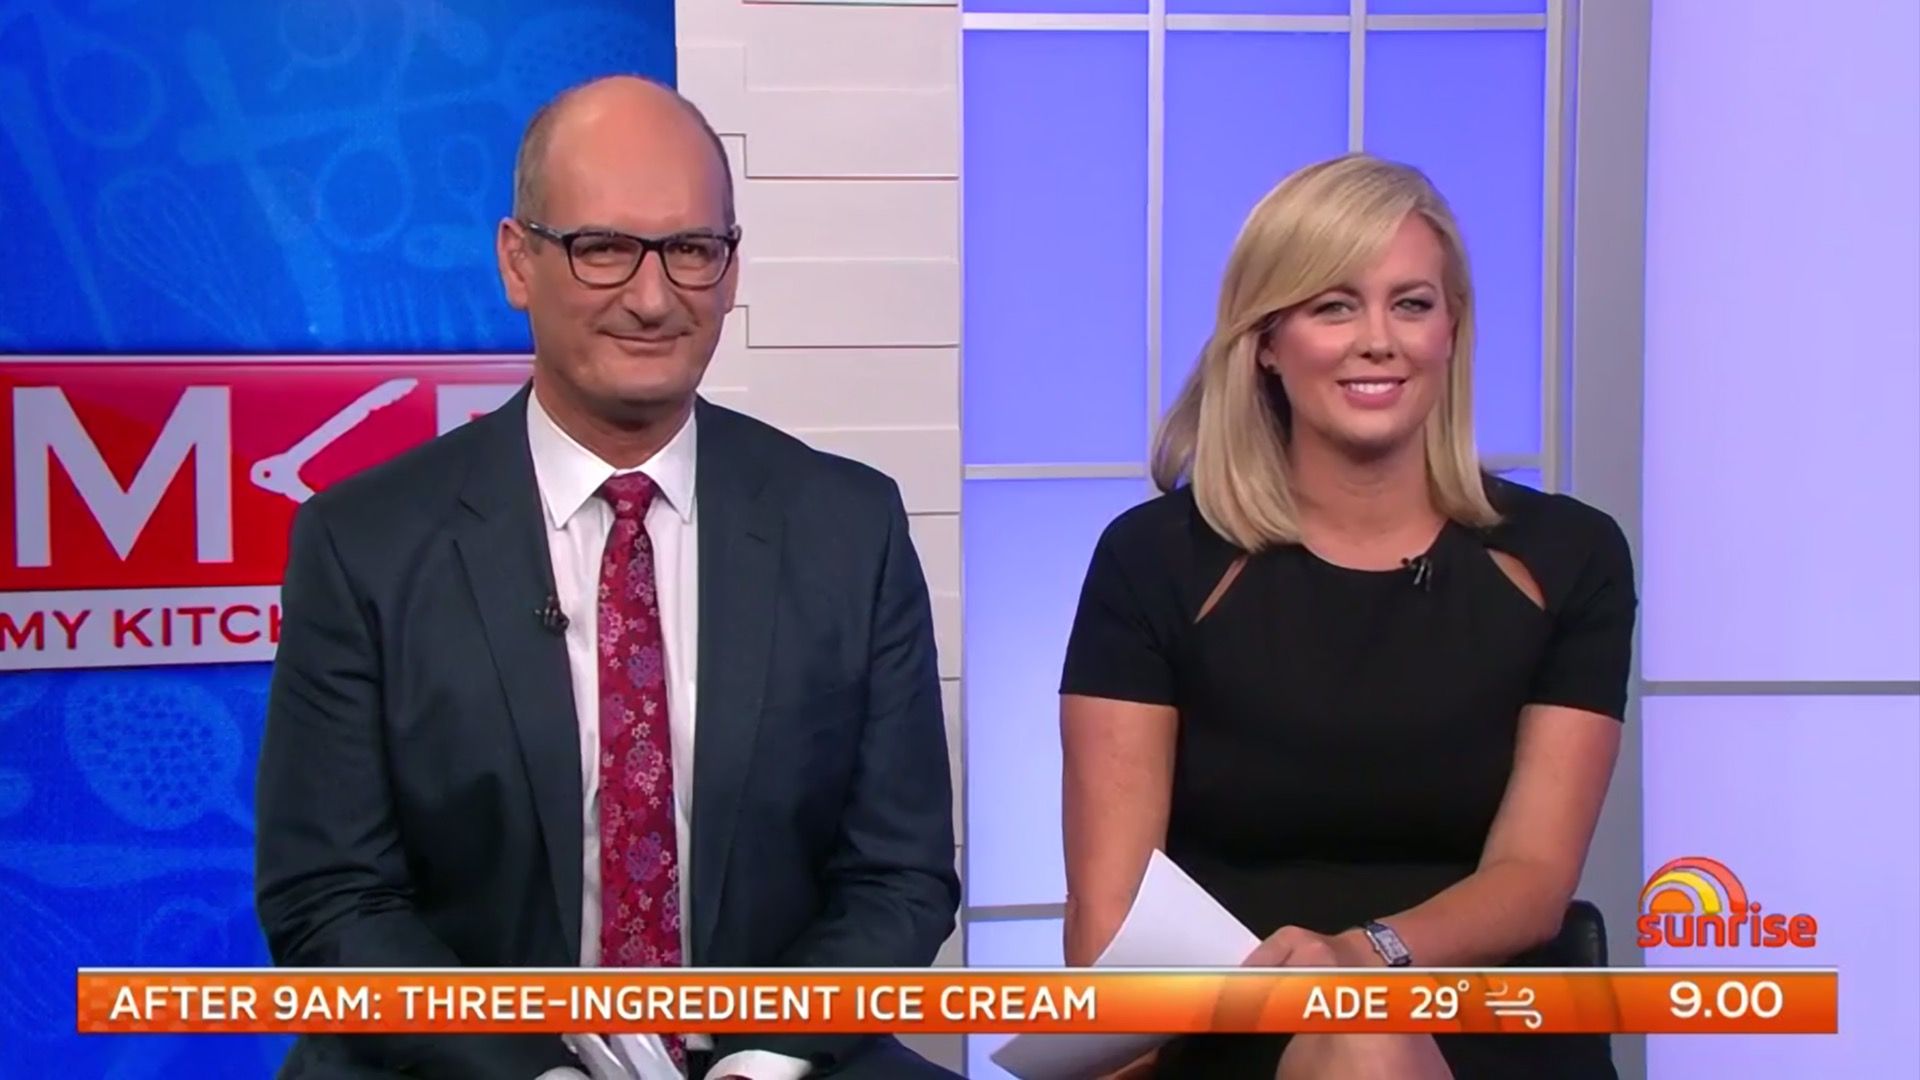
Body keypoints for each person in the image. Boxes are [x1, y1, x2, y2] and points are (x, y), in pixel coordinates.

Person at [255, 76, 961, 1080]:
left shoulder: (850, 528)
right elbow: (327, 898)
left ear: (730, 267)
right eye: (602, 248)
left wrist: (766, 1058)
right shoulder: (363, 542)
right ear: (518, 261)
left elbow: (900, 877)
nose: (652, 297)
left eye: (691, 249)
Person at [1058, 154, 1634, 1079]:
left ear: (1451, 330)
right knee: (1359, 1041)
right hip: (1233, 1022)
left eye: (1411, 304)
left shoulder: (1567, 557)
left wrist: (1362, 958)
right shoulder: (1155, 561)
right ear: (1266, 341)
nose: (1378, 340)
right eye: (1333, 306)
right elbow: (1109, 913)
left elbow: (1532, 879)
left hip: (1479, 1008)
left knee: (1366, 1034)